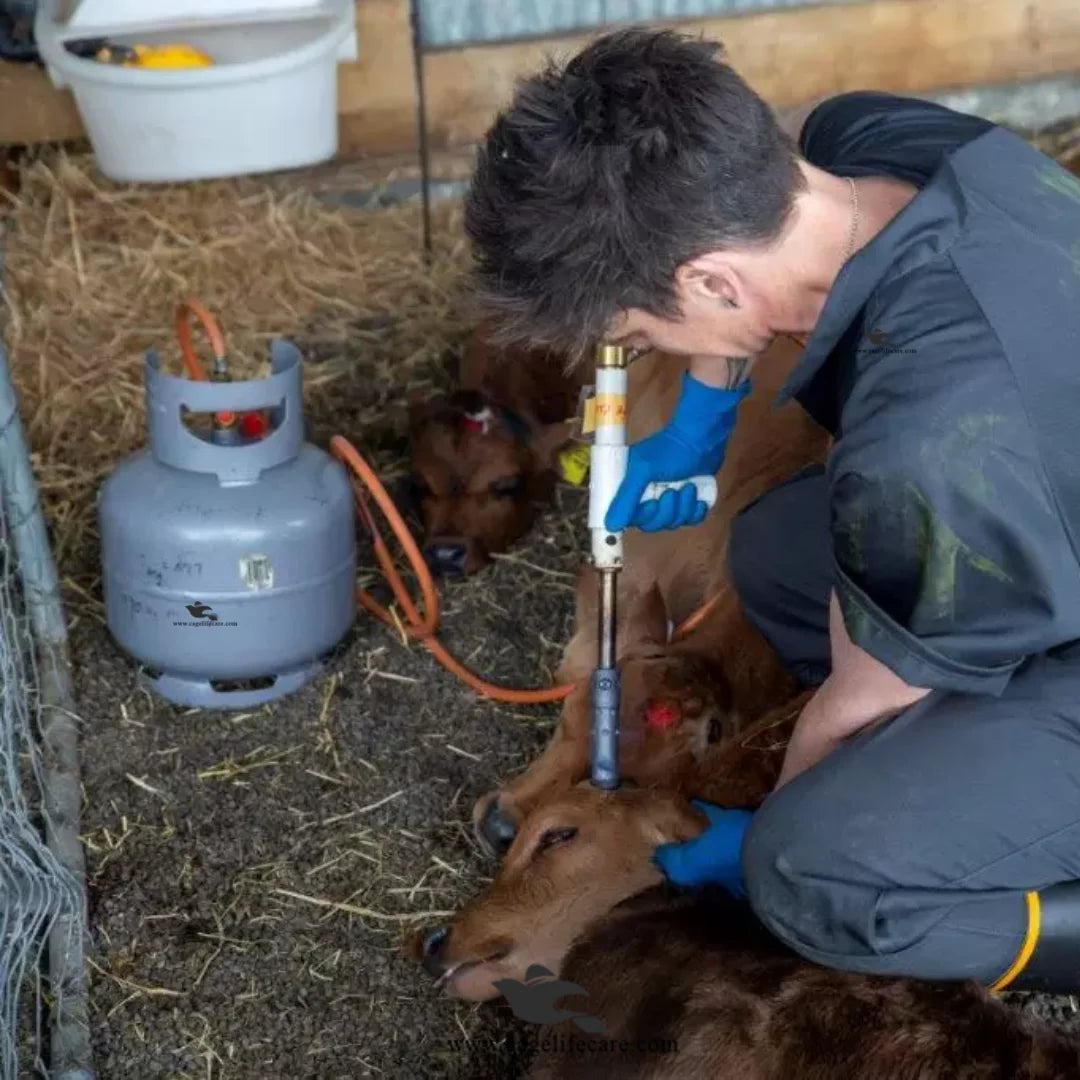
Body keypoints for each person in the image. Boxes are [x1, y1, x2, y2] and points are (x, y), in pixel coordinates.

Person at [463, 26, 1080, 993]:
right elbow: (748, 270)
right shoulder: (861, 138)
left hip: (1031, 529)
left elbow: (858, 702)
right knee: (780, 553)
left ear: (708, 280)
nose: (647, 348)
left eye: (638, 329)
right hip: (1044, 485)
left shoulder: (921, 435)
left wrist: (758, 841)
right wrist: (707, 398)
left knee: (815, 873)